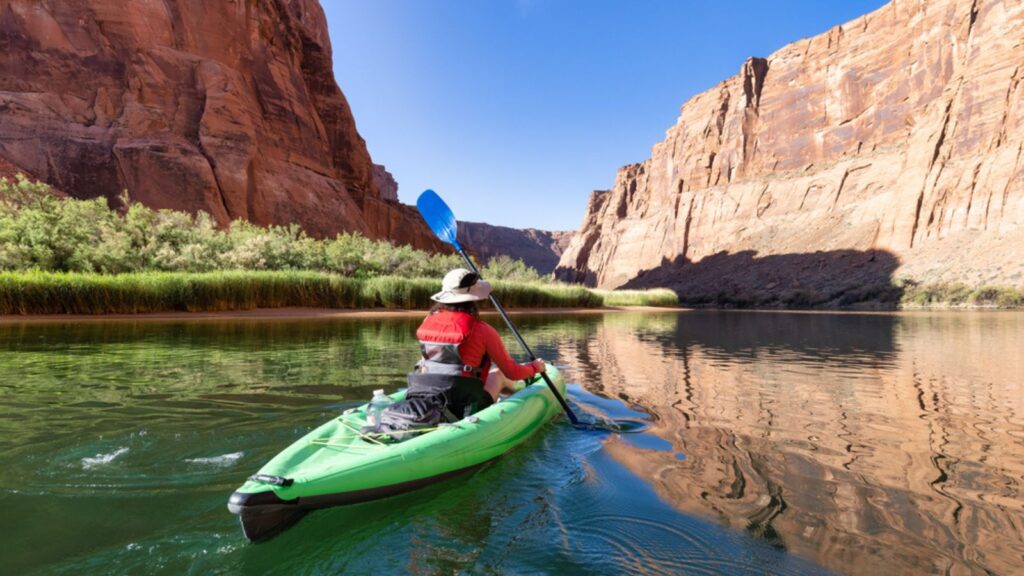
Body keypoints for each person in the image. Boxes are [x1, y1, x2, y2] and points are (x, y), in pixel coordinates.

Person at [415, 268, 546, 407]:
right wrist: (535, 367)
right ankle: (515, 404)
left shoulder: (428, 320)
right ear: (473, 299)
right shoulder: (483, 330)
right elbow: (512, 372)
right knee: (499, 375)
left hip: (427, 394)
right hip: (464, 404)